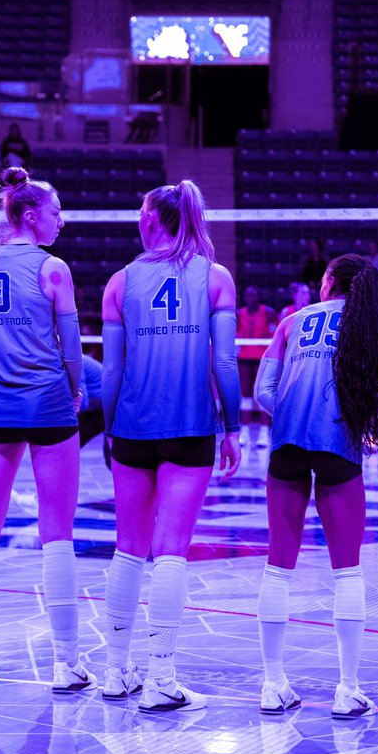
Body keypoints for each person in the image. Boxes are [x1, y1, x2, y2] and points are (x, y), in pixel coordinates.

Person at [99, 181, 242, 711]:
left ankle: (115, 671)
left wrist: (110, 428)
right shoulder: (216, 277)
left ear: (157, 219)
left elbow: (112, 370)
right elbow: (224, 363)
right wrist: (232, 426)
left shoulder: (120, 282)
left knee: (128, 547)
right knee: (171, 549)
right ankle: (159, 678)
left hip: (133, 426)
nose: (138, 218)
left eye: (141, 211)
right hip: (189, 426)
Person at [0, 167, 92, 692]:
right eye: (56, 211)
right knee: (58, 533)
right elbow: (72, 346)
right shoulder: (54, 268)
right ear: (31, 216)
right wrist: (76, 388)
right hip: (50, 404)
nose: (63, 220)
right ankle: (66, 662)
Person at [253, 253, 378, 719]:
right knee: (346, 569)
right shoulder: (376, 326)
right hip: (339, 443)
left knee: (278, 565)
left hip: (288, 442)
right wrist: (350, 419)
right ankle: (347, 690)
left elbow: (261, 391)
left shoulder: (291, 321)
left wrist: (295, 414)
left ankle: (272, 684)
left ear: (331, 281)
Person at [236, 286, 277, 448]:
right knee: (245, 394)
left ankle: (263, 435)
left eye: (253, 294)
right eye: (247, 295)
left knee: (262, 394)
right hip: (245, 358)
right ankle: (244, 434)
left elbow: (274, 335)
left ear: (258, 296)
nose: (250, 297)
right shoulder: (239, 313)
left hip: (262, 358)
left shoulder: (268, 312)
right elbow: (236, 334)